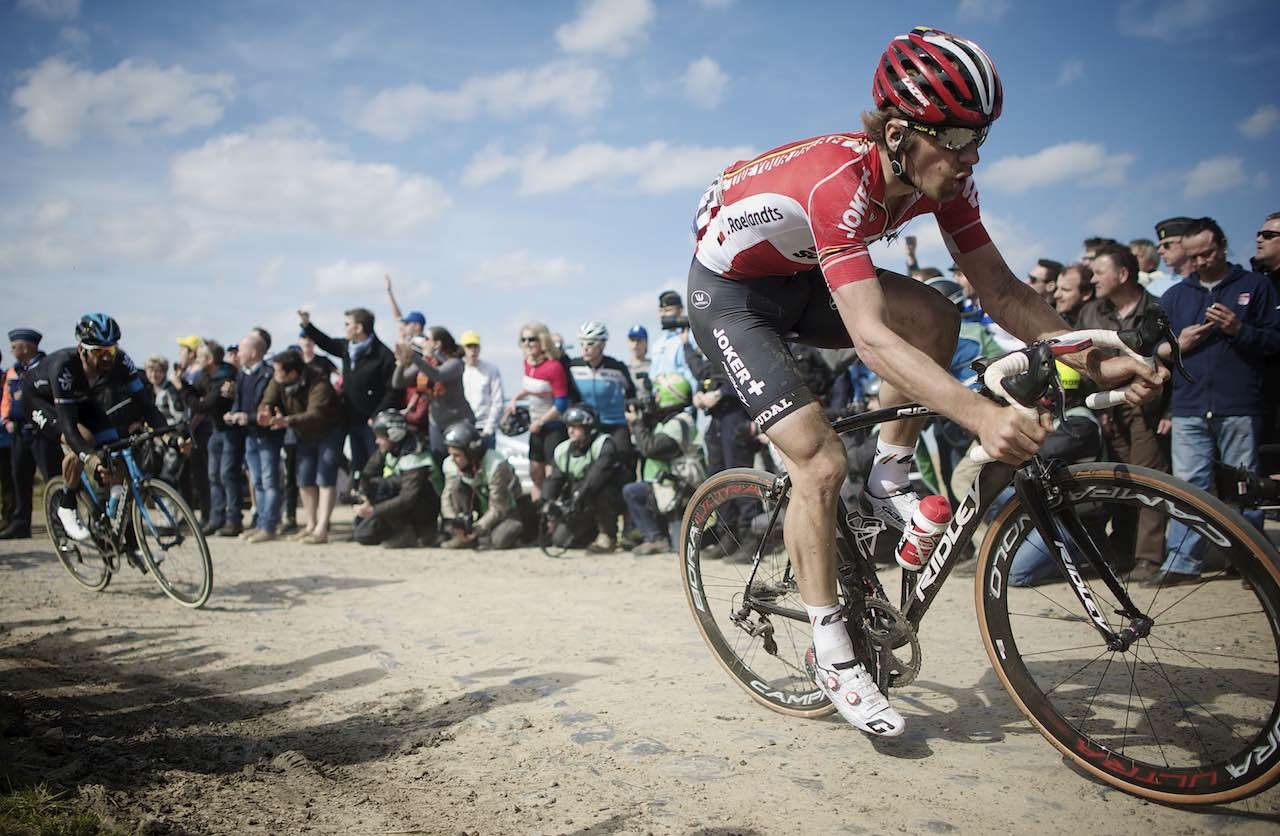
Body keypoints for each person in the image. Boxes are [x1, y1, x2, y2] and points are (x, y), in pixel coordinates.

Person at [685, 27, 1163, 737]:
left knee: (935, 315)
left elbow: (998, 289)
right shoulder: (839, 185)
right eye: (960, 141)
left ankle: (893, 471)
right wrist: (979, 416)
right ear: (901, 133)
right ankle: (831, 650)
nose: (972, 159)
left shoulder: (945, 179)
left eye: (981, 141)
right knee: (818, 458)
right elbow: (873, 338)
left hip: (798, 275)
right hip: (733, 297)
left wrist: (1093, 355)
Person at [1154, 216, 1280, 585]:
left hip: (1238, 402)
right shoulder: (1176, 295)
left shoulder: (1256, 286)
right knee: (1187, 487)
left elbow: (1274, 341)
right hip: (1190, 404)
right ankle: (1181, 563)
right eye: (1192, 256)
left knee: (1243, 486)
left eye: (1207, 253)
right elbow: (1153, 350)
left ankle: (1250, 562)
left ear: (1223, 246)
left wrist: (1238, 329)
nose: (1200, 262)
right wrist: (1179, 344)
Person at [23, 314, 173, 542]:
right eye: (100, 353)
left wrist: (169, 436)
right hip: (42, 402)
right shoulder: (63, 367)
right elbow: (70, 430)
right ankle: (67, 504)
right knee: (83, 440)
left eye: (111, 351)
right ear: (82, 350)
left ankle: (115, 517)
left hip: (83, 400)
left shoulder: (121, 362)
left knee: (114, 449)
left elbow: (146, 404)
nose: (107, 358)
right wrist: (92, 459)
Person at [1075, 242, 1170, 582]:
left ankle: (1148, 559)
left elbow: (1173, 363)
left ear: (1123, 274)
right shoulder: (1091, 313)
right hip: (1107, 408)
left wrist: (1168, 411)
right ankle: (1124, 553)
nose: (1093, 277)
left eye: (1100, 271)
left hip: (1146, 407)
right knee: (1120, 483)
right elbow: (1081, 359)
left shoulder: (1158, 309)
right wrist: (1097, 404)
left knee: (1149, 481)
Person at [299, 307, 399, 483]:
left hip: (373, 425)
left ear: (358, 328)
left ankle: (377, 506)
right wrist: (307, 325)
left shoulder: (383, 355)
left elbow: (393, 391)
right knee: (358, 467)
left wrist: (377, 414)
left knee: (374, 466)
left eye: (347, 324)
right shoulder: (347, 347)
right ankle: (362, 505)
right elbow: (326, 342)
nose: (344, 328)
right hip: (351, 420)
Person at [259, 349, 344, 544]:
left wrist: (286, 421)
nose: (275, 375)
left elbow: (317, 414)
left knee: (325, 477)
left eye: (279, 371)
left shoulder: (319, 381)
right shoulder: (278, 378)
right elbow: (268, 400)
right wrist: (264, 413)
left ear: (293, 374)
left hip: (328, 431)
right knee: (304, 479)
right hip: (302, 432)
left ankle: (322, 528)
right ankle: (311, 525)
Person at [622, 373, 702, 555]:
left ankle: (666, 539)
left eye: (657, 394)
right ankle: (655, 538)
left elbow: (651, 448)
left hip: (679, 490)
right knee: (632, 491)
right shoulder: (668, 420)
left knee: (681, 548)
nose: (654, 398)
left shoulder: (679, 422)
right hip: (663, 487)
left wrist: (637, 423)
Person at [1, 329, 62, 539]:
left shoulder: (46, 366)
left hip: (43, 433)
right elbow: (7, 399)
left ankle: (60, 523)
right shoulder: (14, 371)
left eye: (14, 345)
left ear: (26, 347)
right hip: (19, 433)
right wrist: (6, 419)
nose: (11, 350)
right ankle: (20, 523)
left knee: (53, 477)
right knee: (20, 478)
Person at [542, 404, 625, 553]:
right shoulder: (563, 450)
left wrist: (577, 499)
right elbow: (554, 480)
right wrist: (547, 504)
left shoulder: (604, 444)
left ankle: (608, 535)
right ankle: (591, 533)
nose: (570, 431)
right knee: (560, 540)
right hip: (579, 499)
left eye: (576, 427)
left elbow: (596, 478)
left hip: (603, 496)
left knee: (603, 492)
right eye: (569, 426)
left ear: (589, 427)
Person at [353, 409, 440, 549]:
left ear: (393, 435)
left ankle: (408, 532)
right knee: (362, 534)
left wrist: (374, 510)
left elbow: (407, 498)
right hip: (398, 504)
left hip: (423, 506)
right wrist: (363, 496)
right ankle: (399, 530)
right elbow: (368, 472)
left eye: (380, 437)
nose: (377, 441)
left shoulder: (415, 454)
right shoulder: (389, 447)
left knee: (380, 486)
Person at [505, 322, 570, 502]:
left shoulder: (554, 367)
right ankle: (538, 514)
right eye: (523, 339)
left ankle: (552, 517)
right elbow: (534, 388)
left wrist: (542, 421)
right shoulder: (527, 363)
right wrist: (515, 398)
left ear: (542, 341)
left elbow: (561, 402)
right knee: (535, 473)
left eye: (531, 339)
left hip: (553, 426)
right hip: (535, 427)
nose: (527, 343)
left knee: (551, 476)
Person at [392, 326, 474, 466]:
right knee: (439, 463)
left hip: (458, 421)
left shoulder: (455, 363)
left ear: (437, 344)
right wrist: (401, 363)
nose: (424, 342)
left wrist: (415, 357)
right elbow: (398, 383)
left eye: (427, 339)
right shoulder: (426, 362)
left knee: (461, 463)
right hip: (437, 423)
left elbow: (437, 374)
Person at [439, 421, 525, 550]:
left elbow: (498, 508)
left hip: (504, 511)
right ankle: (465, 535)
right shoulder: (450, 463)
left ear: (471, 452)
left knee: (498, 541)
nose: (452, 459)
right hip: (480, 508)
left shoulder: (495, 465)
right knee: (456, 486)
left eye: (457, 455)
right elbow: (447, 496)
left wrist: (477, 528)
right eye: (450, 454)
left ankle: (516, 534)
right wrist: (455, 523)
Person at [190, 341, 242, 536]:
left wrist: (182, 388)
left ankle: (233, 520)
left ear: (210, 359)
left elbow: (203, 406)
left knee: (227, 475)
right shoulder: (206, 377)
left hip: (230, 431)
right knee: (213, 476)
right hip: (216, 431)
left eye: (201, 356)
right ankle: (216, 519)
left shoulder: (227, 377)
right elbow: (198, 400)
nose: (197, 359)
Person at [569, 321, 636, 460]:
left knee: (624, 461)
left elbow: (631, 393)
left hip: (615, 424)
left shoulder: (617, 368)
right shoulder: (573, 367)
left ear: (602, 345)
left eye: (590, 343)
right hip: (587, 425)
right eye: (582, 343)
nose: (585, 348)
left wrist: (630, 415)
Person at [459, 330, 504, 449]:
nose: (472, 350)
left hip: (484, 427)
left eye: (475, 346)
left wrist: (489, 429)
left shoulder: (491, 369)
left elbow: (497, 400)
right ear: (463, 348)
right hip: (464, 427)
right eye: (469, 346)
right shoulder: (457, 369)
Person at [649, 290, 700, 394]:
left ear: (680, 310)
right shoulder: (658, 344)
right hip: (661, 404)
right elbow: (654, 374)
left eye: (668, 310)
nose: (663, 315)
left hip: (685, 402)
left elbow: (694, 372)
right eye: (661, 311)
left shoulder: (691, 338)